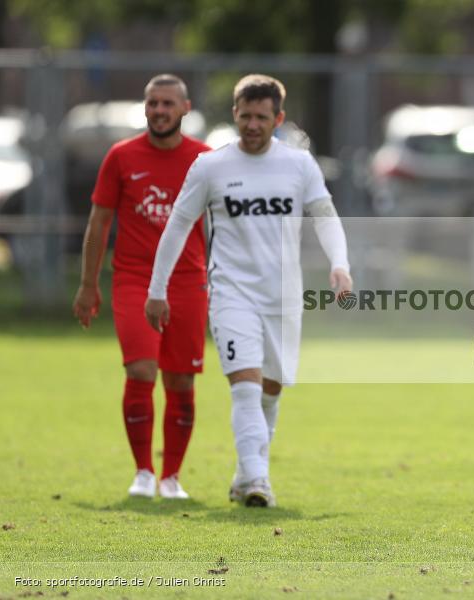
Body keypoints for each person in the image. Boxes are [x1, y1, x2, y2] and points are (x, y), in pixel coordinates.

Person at [145, 74, 352, 508]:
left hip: (283, 297)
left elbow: (325, 216)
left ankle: (245, 474)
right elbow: (178, 225)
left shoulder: (298, 165)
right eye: (245, 116)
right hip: (230, 293)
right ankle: (259, 479)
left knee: (270, 392)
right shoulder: (211, 167)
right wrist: (157, 288)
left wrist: (340, 264)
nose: (252, 125)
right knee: (245, 386)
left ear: (277, 118)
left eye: (262, 117)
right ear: (234, 115)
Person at [72, 74, 210, 500]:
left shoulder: (205, 160)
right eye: (152, 103)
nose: (159, 111)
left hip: (187, 283)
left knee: (181, 381)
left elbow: (222, 227)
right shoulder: (121, 156)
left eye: (168, 104)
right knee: (141, 370)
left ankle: (171, 477)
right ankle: (143, 471)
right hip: (133, 279)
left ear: (185, 109)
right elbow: (99, 222)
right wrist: (87, 284)